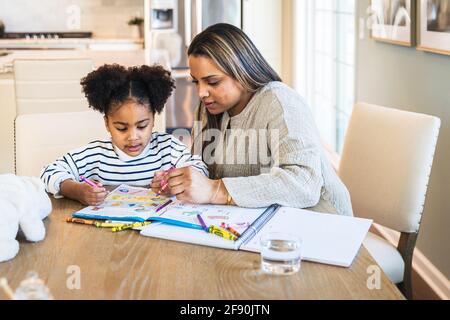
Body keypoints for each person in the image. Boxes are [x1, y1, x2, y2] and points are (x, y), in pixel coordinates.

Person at [151, 23, 353, 216]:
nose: (201, 92)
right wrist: (184, 182)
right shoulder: (207, 109)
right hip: (258, 220)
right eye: (196, 82)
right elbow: (203, 168)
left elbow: (304, 184)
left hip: (321, 221)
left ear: (242, 71)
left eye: (213, 81)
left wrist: (216, 190)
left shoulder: (280, 102)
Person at [41, 64, 208, 206]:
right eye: (121, 128)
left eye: (142, 126)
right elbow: (48, 172)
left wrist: (174, 181)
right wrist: (77, 191)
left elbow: (200, 169)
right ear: (107, 123)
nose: (133, 136)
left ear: (153, 120)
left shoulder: (167, 148)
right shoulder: (96, 154)